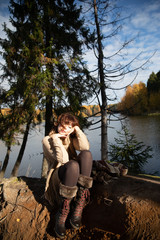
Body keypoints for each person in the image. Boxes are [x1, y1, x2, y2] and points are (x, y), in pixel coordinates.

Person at [42, 113, 93, 239]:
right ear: (58, 124)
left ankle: (79, 203)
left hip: (73, 174)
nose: (65, 129)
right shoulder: (48, 140)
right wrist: (56, 138)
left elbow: (85, 147)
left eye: (69, 126)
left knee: (86, 154)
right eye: (63, 125)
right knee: (73, 165)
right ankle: (63, 212)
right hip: (58, 177)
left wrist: (77, 130)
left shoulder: (71, 137)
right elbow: (63, 160)